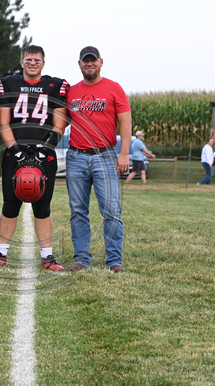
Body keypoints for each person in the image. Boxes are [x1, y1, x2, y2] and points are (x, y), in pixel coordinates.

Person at [0, 45, 69, 271]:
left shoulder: (54, 86)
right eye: (28, 59)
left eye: (36, 60)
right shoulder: (9, 83)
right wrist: (15, 150)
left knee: (43, 205)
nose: (32, 63)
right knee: (10, 204)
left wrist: (44, 150)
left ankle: (48, 256)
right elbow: (4, 122)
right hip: (16, 150)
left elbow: (59, 124)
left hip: (45, 151)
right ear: (21, 61)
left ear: (43, 63)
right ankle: (0, 254)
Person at [65, 46, 132, 273]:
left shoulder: (114, 88)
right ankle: (81, 260)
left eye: (93, 61)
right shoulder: (72, 92)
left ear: (101, 62)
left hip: (105, 155)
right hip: (76, 156)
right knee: (77, 211)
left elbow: (125, 122)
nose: (89, 64)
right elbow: (61, 121)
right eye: (86, 61)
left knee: (111, 211)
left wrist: (124, 154)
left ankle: (114, 261)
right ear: (80, 64)